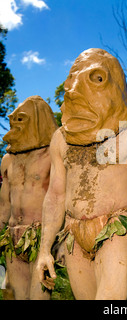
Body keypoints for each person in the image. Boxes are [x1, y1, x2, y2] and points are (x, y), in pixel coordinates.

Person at [36, 48, 127, 300]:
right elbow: (55, 195)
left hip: (115, 228)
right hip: (74, 233)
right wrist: (44, 249)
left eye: (96, 78)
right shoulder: (61, 139)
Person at [0, 96, 58, 299]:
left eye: (21, 119)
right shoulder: (7, 159)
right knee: (13, 295)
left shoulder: (52, 154)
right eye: (13, 118)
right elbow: (4, 203)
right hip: (12, 237)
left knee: (39, 296)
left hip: (40, 236)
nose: (14, 123)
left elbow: (60, 196)